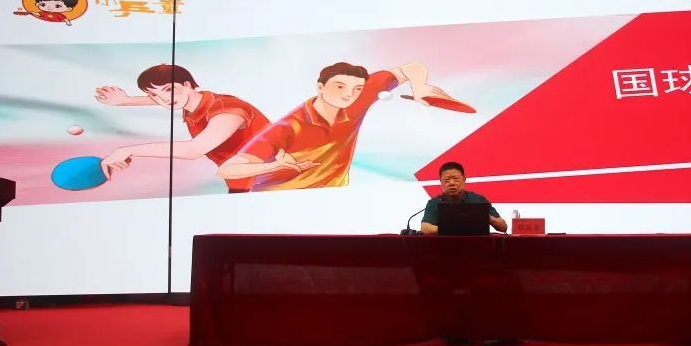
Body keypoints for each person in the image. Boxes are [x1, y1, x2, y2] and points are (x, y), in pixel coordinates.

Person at [219, 61, 466, 191]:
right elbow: (227, 170)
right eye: (340, 87)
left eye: (357, 88)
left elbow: (412, 68)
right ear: (320, 87)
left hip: (335, 198)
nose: (349, 94)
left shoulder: (359, 97)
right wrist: (275, 165)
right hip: (280, 200)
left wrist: (420, 88)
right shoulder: (289, 127)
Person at [94, 64, 271, 193]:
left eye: (169, 89)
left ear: (187, 84)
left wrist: (127, 150)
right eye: (154, 94)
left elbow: (193, 150)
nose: (164, 99)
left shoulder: (227, 110)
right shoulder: (192, 101)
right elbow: (162, 98)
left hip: (273, 179)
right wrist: (125, 101)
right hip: (242, 181)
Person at [420, 161, 508, 234]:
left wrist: (487, 217)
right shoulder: (434, 202)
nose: (451, 183)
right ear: (441, 182)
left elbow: (503, 227)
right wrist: (456, 229)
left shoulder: (477, 200)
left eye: (456, 179)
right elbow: (425, 228)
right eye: (447, 180)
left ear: (464, 179)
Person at [15, 0, 80, 25]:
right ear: (37, 4)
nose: (49, 7)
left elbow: (65, 19)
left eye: (57, 6)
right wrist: (31, 12)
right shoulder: (43, 13)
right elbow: (38, 14)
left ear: (68, 8)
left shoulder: (59, 15)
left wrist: (68, 23)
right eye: (43, 4)